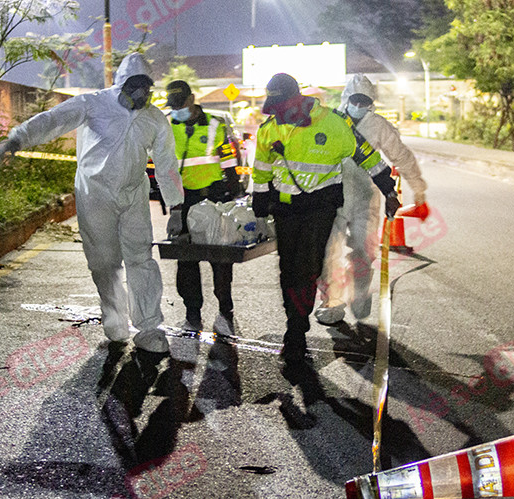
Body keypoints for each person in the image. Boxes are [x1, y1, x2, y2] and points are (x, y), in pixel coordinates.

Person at [0, 53, 184, 353]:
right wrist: (17, 139)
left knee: (141, 259)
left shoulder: (154, 118)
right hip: (95, 195)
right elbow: (54, 120)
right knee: (103, 263)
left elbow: (167, 163)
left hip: (133, 196)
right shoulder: (93, 104)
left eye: (146, 89)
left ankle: (149, 327)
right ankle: (115, 319)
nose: (141, 95)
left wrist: (177, 206)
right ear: (120, 84)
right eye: (134, 88)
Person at [251, 73, 399, 363]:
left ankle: (295, 331)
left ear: (296, 100)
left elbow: (368, 156)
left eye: (281, 105)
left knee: (306, 269)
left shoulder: (334, 124)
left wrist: (389, 191)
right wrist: (258, 206)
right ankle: (295, 321)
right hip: (285, 211)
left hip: (319, 210)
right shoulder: (269, 129)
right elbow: (261, 171)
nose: (277, 112)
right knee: (287, 272)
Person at [314, 74, 428, 325]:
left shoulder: (378, 126)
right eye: (355, 99)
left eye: (364, 100)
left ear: (371, 101)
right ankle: (330, 302)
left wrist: (417, 188)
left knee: (363, 252)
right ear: (346, 98)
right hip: (332, 197)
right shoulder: (330, 121)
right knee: (326, 254)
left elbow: (402, 157)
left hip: (365, 198)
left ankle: (360, 293)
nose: (358, 104)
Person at [164, 80, 242, 335]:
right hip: (183, 201)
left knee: (220, 258)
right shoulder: (165, 126)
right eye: (174, 106)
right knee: (186, 260)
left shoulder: (215, 125)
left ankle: (225, 306)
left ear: (192, 98)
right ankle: (192, 312)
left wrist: (235, 191)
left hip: (213, 198)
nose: (178, 110)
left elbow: (229, 161)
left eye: (181, 104)